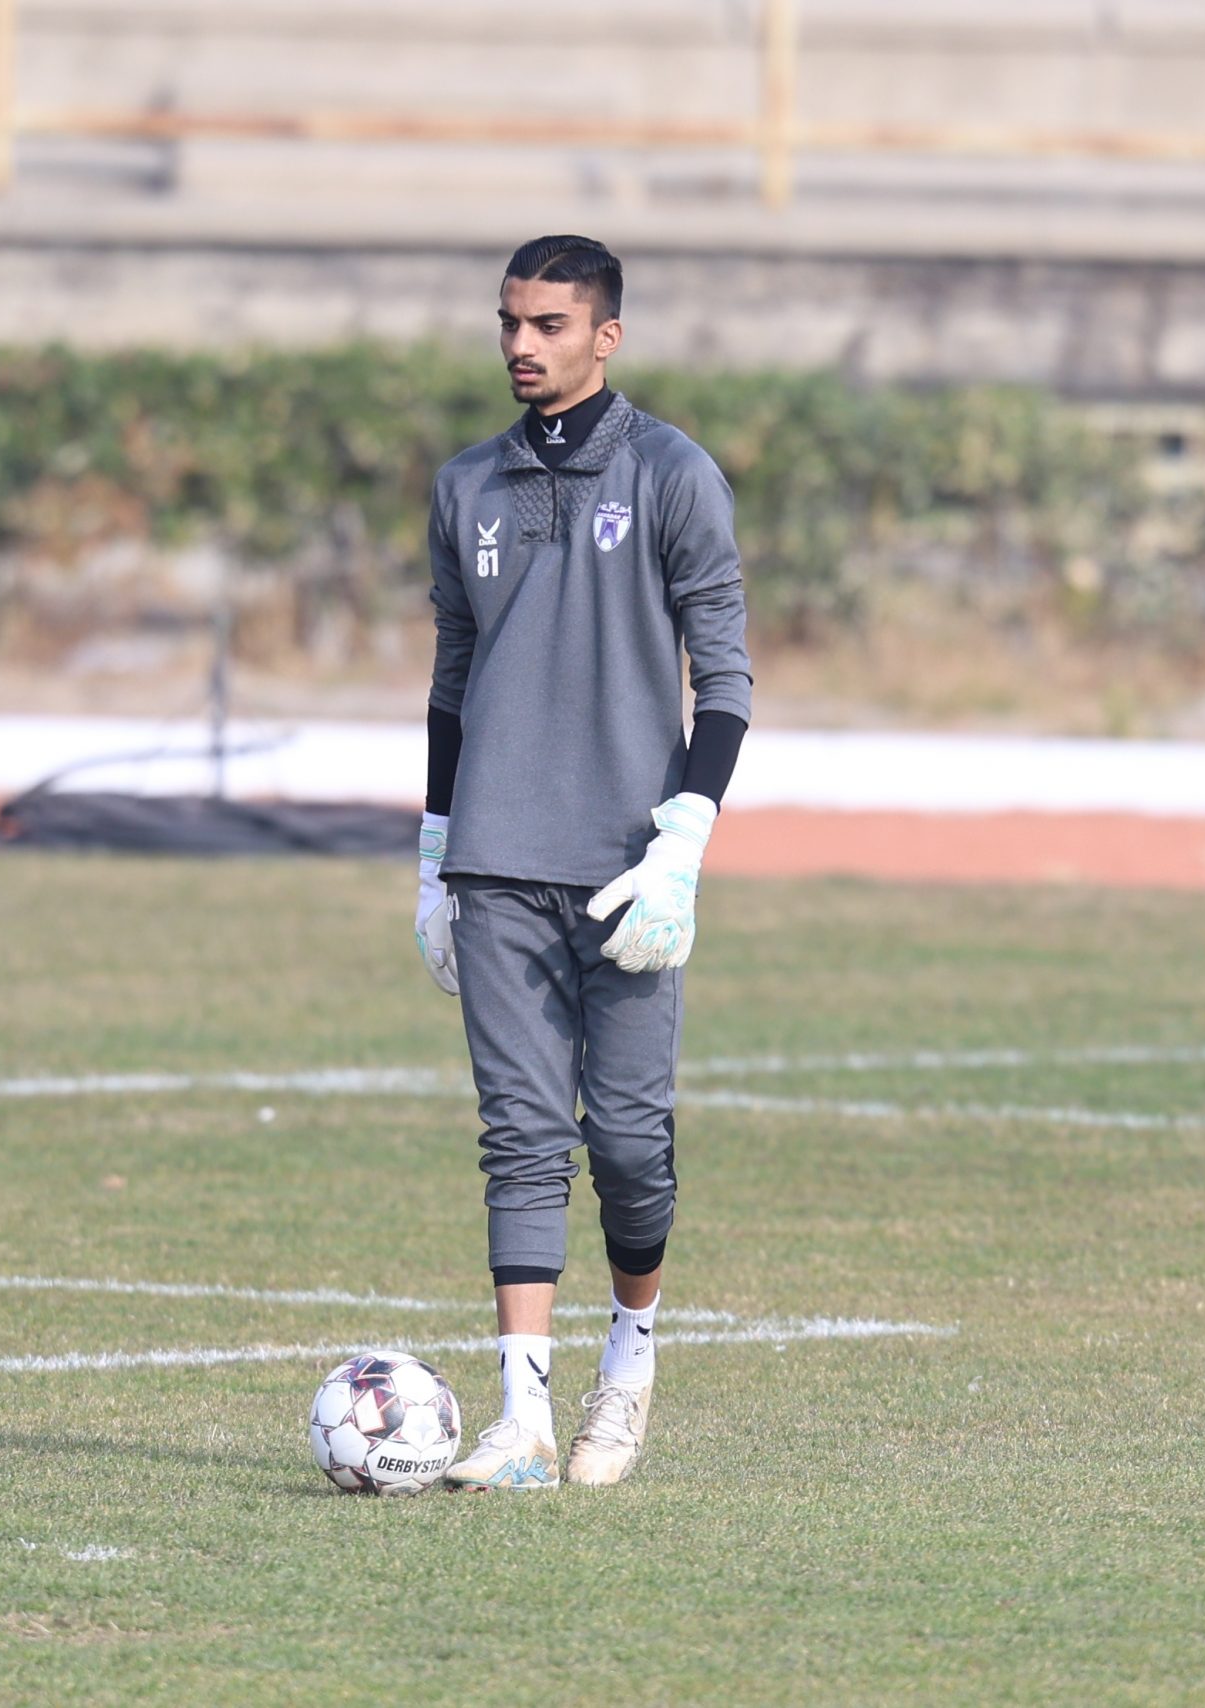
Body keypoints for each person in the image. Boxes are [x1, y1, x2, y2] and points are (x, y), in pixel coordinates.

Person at [414, 234, 752, 1491]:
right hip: (495, 856)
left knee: (627, 1146)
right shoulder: (464, 485)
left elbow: (726, 679)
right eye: (509, 320)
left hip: (627, 867)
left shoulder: (673, 472)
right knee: (517, 1136)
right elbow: (451, 682)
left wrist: (684, 841)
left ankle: (631, 1359)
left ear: (605, 336)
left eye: (548, 324)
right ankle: (523, 1423)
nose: (521, 343)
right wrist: (436, 851)